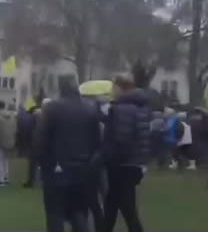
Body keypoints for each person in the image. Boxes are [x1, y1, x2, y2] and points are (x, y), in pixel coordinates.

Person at [37, 80, 102, 232]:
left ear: (61, 89)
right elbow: (97, 141)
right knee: (79, 211)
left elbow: (41, 139)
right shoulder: (90, 109)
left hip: (57, 169)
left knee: (55, 213)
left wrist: (43, 163)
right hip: (83, 169)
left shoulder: (52, 108)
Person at [103, 74, 151, 232]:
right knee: (112, 205)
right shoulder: (141, 107)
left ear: (120, 87)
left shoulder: (121, 109)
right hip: (135, 162)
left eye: (114, 87)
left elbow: (121, 140)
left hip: (121, 165)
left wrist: (107, 158)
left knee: (127, 208)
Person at [0, 100, 16, 186]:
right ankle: (6, 177)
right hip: (9, 140)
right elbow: (14, 129)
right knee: (5, 160)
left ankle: (0, 180)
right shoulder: (12, 116)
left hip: (0, 141)